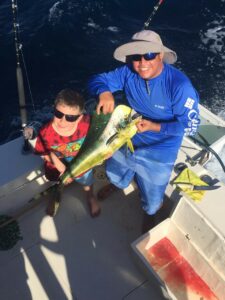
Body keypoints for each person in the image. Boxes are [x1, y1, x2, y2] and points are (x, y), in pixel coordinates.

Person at [88, 30, 200, 232]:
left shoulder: (180, 86)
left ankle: (150, 213)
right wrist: (103, 92)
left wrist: (155, 126)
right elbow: (97, 79)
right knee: (115, 167)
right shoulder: (128, 72)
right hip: (130, 133)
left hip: (162, 146)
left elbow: (191, 126)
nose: (141, 62)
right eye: (135, 57)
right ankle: (117, 184)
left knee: (153, 189)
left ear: (160, 56)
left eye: (148, 55)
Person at [34, 88, 101, 217]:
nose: (62, 121)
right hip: (57, 164)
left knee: (86, 179)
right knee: (56, 181)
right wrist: (57, 163)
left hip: (80, 161)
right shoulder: (45, 132)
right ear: (53, 110)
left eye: (70, 117)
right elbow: (43, 152)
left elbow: (98, 138)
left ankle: (90, 195)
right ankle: (55, 197)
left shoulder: (87, 123)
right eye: (58, 114)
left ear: (80, 117)